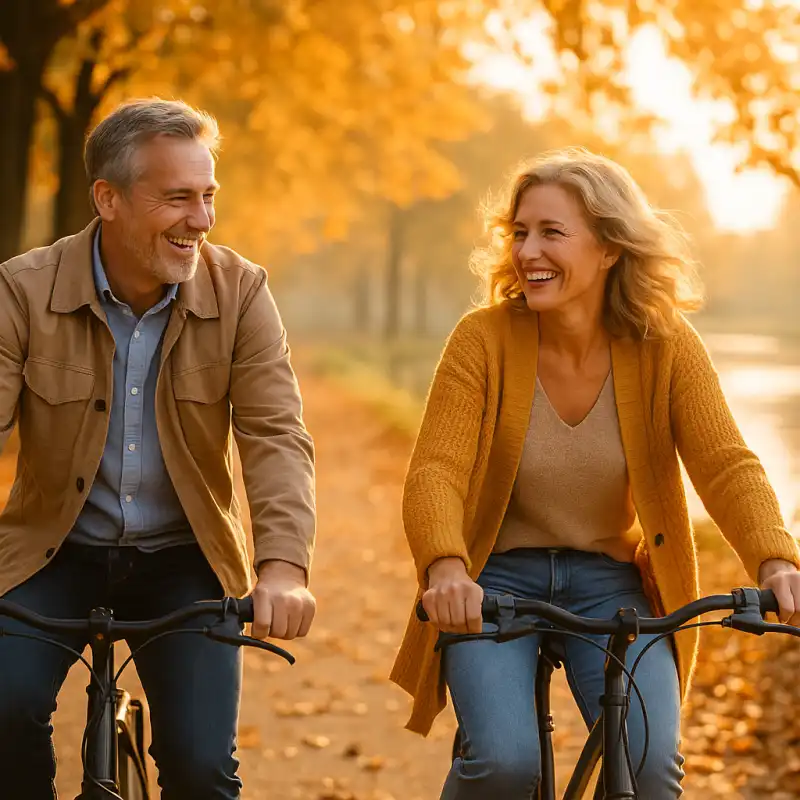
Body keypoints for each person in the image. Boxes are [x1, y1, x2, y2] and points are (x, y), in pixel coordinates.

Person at [389, 147, 800, 799]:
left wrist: (775, 562)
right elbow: (437, 470)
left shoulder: (666, 346)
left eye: (552, 233)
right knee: (503, 763)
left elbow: (726, 464)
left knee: (649, 767)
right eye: (520, 233)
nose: (528, 252)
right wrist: (445, 567)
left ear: (610, 247)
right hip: (495, 579)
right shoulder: (483, 339)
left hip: (610, 583)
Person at [0, 98, 317, 799]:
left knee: (204, 771)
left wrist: (284, 568)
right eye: (178, 198)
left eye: (208, 197)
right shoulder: (22, 290)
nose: (201, 220)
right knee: (4, 717)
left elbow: (274, 434)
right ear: (107, 199)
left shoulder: (241, 292)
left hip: (185, 560)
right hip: (52, 553)